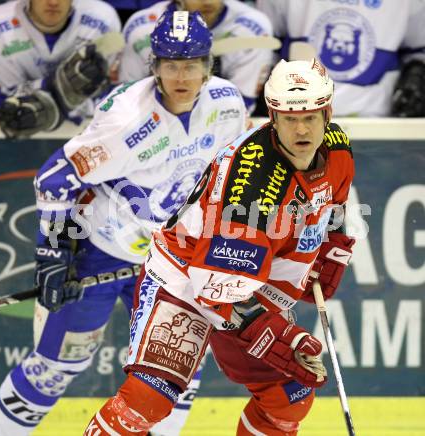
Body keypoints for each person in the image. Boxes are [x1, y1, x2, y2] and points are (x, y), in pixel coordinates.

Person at [0, 9, 248, 436]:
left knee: (175, 369)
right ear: (155, 67)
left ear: (208, 66)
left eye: (192, 65)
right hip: (99, 255)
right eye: (170, 65)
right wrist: (53, 251)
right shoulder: (127, 120)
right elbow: (55, 179)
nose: (181, 76)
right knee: (56, 367)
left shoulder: (227, 105)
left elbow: (234, 171)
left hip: (170, 262)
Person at [84, 57, 356, 435]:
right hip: (187, 280)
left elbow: (335, 204)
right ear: (272, 117)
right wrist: (283, 336)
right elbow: (217, 294)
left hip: (254, 280)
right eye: (289, 118)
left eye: (310, 117)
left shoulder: (338, 146)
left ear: (327, 114)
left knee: (289, 398)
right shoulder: (253, 185)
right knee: (148, 399)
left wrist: (332, 242)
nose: (301, 129)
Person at [257, 0, 425, 117]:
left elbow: (417, 48)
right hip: (297, 114)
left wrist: (417, 72)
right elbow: (265, 43)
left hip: (377, 119)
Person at [0, 0, 121, 138]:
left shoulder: (104, 21)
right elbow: (8, 109)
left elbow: (110, 97)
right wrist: (62, 88)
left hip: (83, 137)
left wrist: (52, 101)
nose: (54, 2)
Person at [120, 0, 274, 114]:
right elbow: (127, 100)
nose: (207, 1)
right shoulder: (141, 29)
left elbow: (241, 106)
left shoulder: (253, 27)